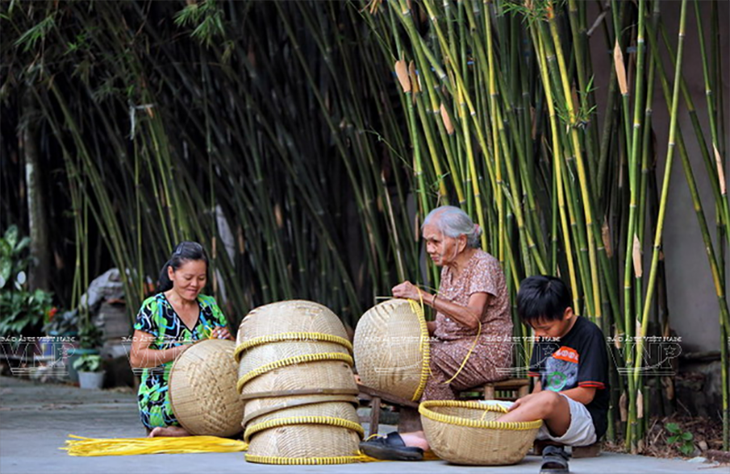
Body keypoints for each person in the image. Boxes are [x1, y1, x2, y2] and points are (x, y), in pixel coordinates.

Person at [360, 205, 513, 460]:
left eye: (435, 242)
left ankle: (438, 436)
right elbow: (444, 325)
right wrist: (403, 327)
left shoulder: (483, 265)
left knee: (424, 359)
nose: (430, 249)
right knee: (407, 352)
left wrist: (424, 297)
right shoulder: (448, 269)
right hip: (452, 349)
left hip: (487, 353)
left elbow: (471, 319)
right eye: (427, 242)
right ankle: (434, 434)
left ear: (461, 241)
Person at [497, 275, 609, 474]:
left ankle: (486, 433)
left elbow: (586, 394)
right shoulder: (543, 336)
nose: (539, 334)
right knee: (491, 407)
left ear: (567, 313)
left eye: (545, 328)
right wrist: (532, 402)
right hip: (545, 416)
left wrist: (539, 402)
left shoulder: (589, 334)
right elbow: (539, 384)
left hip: (583, 421)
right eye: (534, 329)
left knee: (547, 399)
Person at [129, 241, 232, 437]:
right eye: (188, 277)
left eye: (201, 278)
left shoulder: (209, 305)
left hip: (207, 390)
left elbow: (230, 352)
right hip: (164, 393)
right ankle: (185, 430)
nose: (195, 284)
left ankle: (180, 433)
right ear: (171, 274)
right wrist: (179, 351)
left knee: (235, 405)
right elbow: (137, 358)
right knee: (213, 416)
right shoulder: (154, 307)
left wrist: (226, 338)